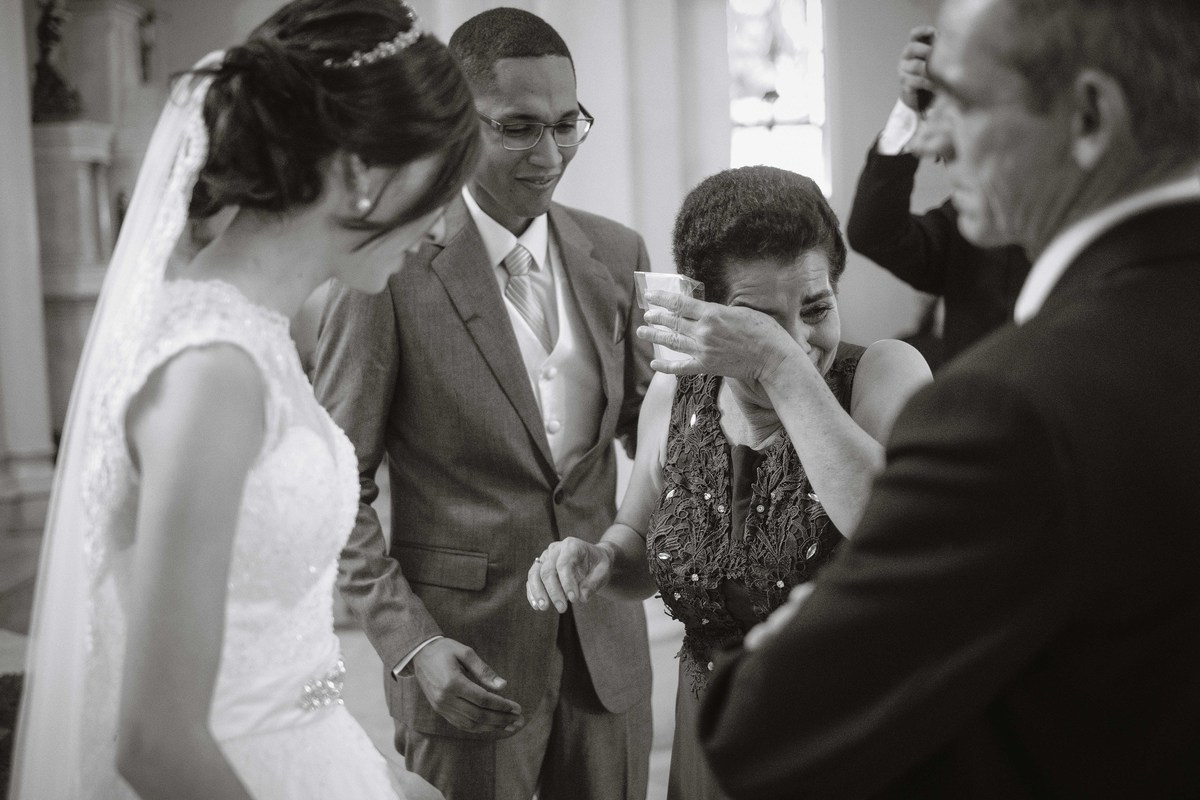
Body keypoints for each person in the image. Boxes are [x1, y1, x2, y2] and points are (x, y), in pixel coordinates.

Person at [666, 0, 1200, 796]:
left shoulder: (1011, 409)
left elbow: (758, 720)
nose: (935, 139)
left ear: (1089, 115)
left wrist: (807, 616)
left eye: (960, 101)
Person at [9, 1, 478, 798]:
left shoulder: (256, 338)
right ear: (361, 172)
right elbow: (156, 744)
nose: (438, 228)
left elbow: (270, 648)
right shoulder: (211, 371)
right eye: (437, 187)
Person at [311, 8, 655, 800]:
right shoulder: (386, 271)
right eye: (520, 128)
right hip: (464, 660)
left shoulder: (618, 253)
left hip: (607, 656)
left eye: (566, 125)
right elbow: (332, 486)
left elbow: (656, 432)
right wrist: (412, 644)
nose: (551, 155)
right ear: (457, 125)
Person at [526, 166, 931, 799]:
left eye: (816, 308)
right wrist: (600, 560)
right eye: (760, 323)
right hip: (710, 742)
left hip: (847, 740)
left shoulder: (885, 374)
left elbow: (896, 528)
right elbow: (638, 542)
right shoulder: (676, 395)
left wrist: (774, 359)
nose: (799, 341)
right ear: (706, 313)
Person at [846, 24, 1030, 369]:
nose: (936, 145)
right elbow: (874, 233)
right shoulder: (965, 222)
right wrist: (910, 110)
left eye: (967, 110)